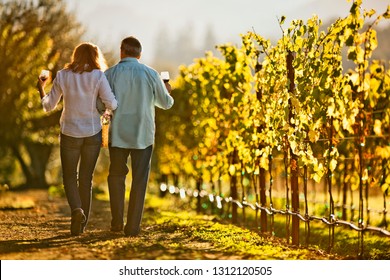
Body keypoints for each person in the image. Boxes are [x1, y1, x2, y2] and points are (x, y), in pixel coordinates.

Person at [37, 42, 118, 236]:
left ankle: (76, 211)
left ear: (76, 56)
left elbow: (48, 106)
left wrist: (41, 87)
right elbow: (112, 103)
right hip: (92, 132)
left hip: (69, 133)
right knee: (85, 179)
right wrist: (105, 113)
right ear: (94, 57)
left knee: (69, 177)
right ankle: (81, 227)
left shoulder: (63, 76)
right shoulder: (98, 76)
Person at [105, 36, 174, 236]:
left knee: (116, 176)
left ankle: (117, 221)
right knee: (139, 180)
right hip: (143, 135)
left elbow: (101, 105)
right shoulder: (151, 74)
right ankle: (133, 227)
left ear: (122, 52)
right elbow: (166, 103)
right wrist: (167, 90)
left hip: (117, 134)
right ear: (140, 54)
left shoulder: (110, 74)